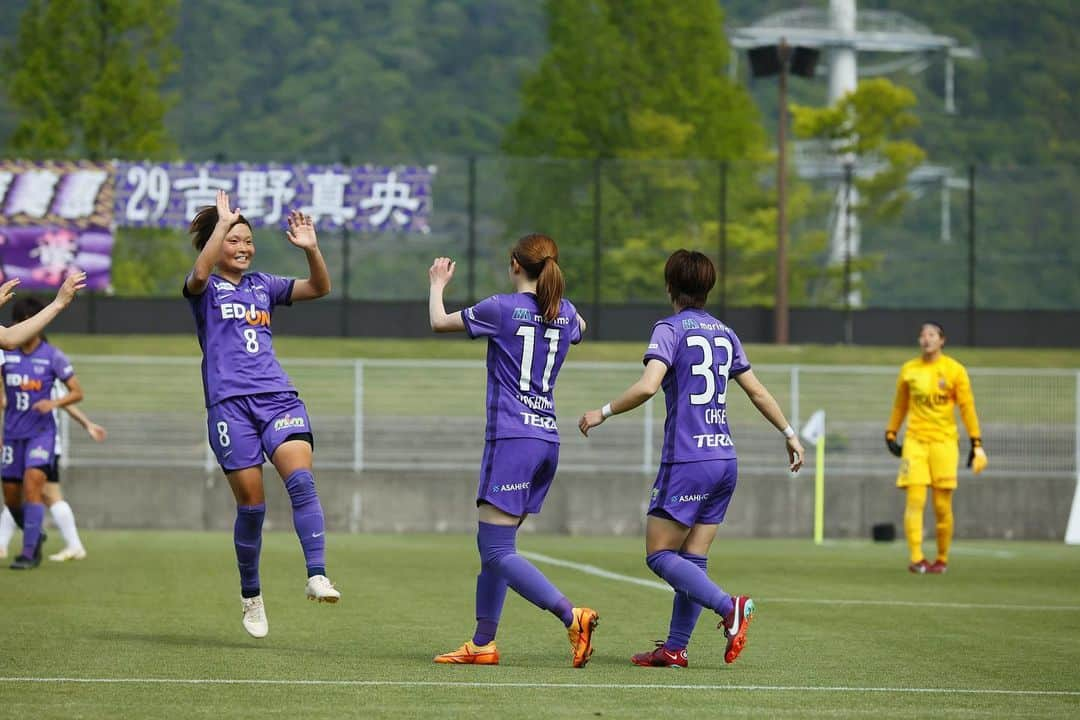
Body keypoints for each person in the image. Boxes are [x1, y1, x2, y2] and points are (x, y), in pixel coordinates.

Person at [578, 250, 803, 668]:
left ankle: (728, 606)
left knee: (659, 555)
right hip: (724, 460)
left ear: (670, 286)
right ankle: (675, 648)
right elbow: (755, 390)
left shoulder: (670, 329)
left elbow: (648, 387)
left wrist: (602, 411)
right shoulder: (725, 333)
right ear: (708, 288)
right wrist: (789, 433)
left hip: (688, 459)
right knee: (692, 560)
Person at [428, 234, 599, 668]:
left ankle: (570, 615)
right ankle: (482, 643)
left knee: (497, 550)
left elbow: (439, 322)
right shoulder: (567, 312)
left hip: (512, 438)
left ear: (515, 264)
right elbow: (580, 330)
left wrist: (436, 284)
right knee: (496, 549)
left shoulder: (501, 308)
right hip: (546, 440)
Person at [184, 190, 338, 639]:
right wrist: (221, 225)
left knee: (302, 481)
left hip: (278, 399)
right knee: (252, 507)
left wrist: (312, 249)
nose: (244, 247)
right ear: (215, 243)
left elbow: (320, 288)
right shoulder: (204, 288)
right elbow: (199, 270)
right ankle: (251, 596)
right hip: (230, 408)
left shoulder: (264, 285)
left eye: (248, 240)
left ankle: (317, 574)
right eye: (234, 240)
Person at [0, 298, 106, 562]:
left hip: (41, 435)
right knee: (12, 498)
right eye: (18, 321)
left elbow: (76, 393)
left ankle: (28, 552)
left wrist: (55, 403)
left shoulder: (52, 357)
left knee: (34, 486)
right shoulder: (6, 355)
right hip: (12, 434)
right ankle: (34, 534)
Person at [885, 322, 986, 575]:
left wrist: (976, 442)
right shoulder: (909, 370)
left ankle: (941, 558)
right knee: (915, 500)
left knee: (942, 506)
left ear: (942, 340)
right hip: (915, 441)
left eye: (931, 335)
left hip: (944, 442)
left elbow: (967, 407)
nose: (926, 339)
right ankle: (917, 558)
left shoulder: (955, 371)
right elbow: (900, 406)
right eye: (922, 335)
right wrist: (891, 432)